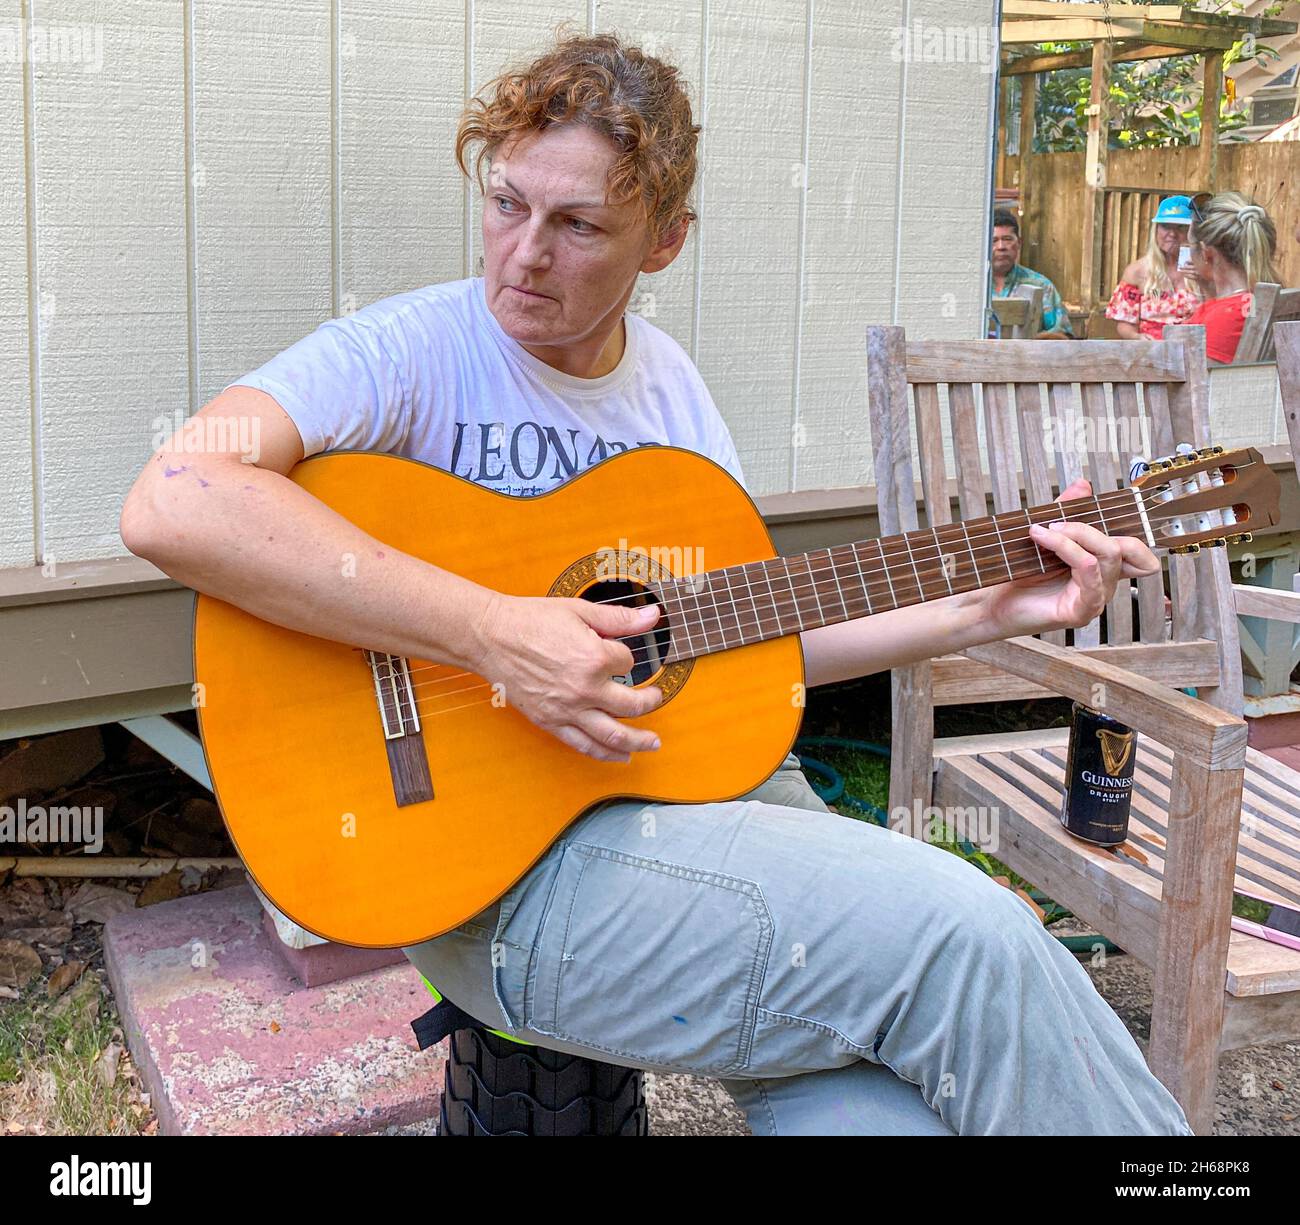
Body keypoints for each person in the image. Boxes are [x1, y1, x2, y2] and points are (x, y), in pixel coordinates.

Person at [120, 31, 1192, 1136]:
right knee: (970, 934)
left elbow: (737, 640)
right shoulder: (404, 351)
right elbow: (176, 495)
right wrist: (494, 632)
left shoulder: (668, 393)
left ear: (665, 242)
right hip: (507, 882)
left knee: (880, 1118)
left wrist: (989, 604)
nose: (522, 253)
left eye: (578, 224)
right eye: (505, 204)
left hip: (699, 817)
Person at [1183, 191, 1279, 364]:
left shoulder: (1225, 319)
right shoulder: (1260, 303)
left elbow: (1197, 386)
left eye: (1190, 243)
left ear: (1207, 253)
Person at [1104, 195, 1202, 340]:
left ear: (1193, 232)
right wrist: (1136, 337)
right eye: (1166, 226)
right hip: (1151, 351)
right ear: (1156, 230)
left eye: (1181, 227)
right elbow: (1125, 322)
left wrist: (1204, 281)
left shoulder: (1205, 268)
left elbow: (1218, 311)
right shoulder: (1137, 271)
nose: (1172, 234)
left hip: (1194, 346)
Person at [989, 208, 1074, 338]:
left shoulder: (1041, 285)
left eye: (1007, 239)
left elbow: (1062, 335)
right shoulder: (971, 285)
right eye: (994, 240)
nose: (1001, 247)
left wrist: (1034, 341)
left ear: (1019, 243)